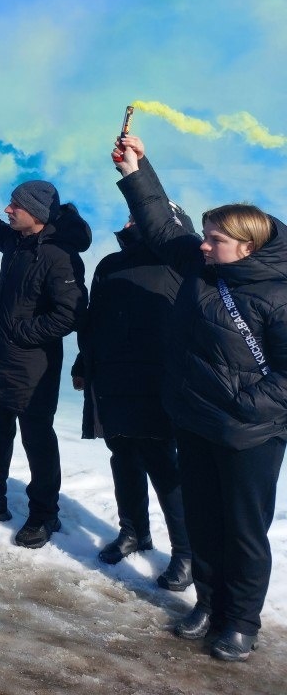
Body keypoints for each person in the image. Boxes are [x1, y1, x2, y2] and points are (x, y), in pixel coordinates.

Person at [116, 134, 287, 661]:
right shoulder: (201, 265)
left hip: (248, 434)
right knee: (204, 521)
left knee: (243, 531)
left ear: (248, 246)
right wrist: (135, 168)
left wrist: (242, 405)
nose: (203, 244)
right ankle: (208, 603)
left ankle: (241, 621)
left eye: (215, 239)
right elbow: (165, 226)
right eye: (206, 236)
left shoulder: (277, 293)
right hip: (193, 421)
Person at [0, 165, 90, 549]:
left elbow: (71, 313)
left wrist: (23, 332)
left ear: (37, 214)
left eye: (15, 206)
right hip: (1, 358)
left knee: (38, 441)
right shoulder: (19, 242)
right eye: (9, 203)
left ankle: (44, 515)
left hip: (34, 367)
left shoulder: (60, 257)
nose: (9, 210)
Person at [72, 206, 192, 590]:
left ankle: (187, 552)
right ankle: (134, 532)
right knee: (121, 452)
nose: (128, 222)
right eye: (129, 218)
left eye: (138, 218)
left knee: (162, 463)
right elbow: (94, 320)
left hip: (159, 381)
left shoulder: (181, 266)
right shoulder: (109, 264)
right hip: (111, 374)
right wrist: (82, 362)